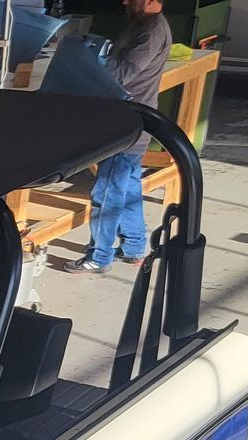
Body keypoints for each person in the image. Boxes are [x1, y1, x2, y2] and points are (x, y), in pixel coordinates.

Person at [69, 0, 172, 273]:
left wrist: (88, 64)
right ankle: (135, 246)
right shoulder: (140, 24)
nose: (125, 2)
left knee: (107, 190)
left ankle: (98, 256)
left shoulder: (151, 32)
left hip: (126, 125)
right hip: (132, 120)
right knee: (128, 187)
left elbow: (123, 74)